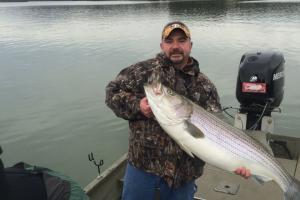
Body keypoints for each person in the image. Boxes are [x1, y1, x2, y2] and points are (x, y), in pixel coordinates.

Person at [105, 21, 250, 200]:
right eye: (169, 41)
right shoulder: (143, 71)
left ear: (190, 45)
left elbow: (219, 131)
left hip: (184, 176)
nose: (175, 46)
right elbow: (112, 92)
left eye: (181, 40)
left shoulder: (205, 86)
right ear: (161, 45)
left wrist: (238, 161)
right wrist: (137, 106)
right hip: (142, 169)